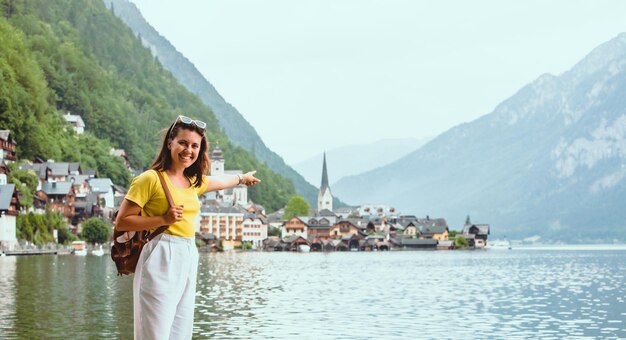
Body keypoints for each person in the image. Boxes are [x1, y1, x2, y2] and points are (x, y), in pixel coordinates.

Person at [115, 115, 261, 339]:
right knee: (154, 334)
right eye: (183, 143)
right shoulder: (150, 179)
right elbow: (123, 221)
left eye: (195, 146)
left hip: (188, 255)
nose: (188, 150)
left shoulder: (193, 182)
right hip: (160, 254)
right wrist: (163, 219)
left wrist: (242, 178)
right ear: (170, 143)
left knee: (180, 333)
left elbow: (220, 181)